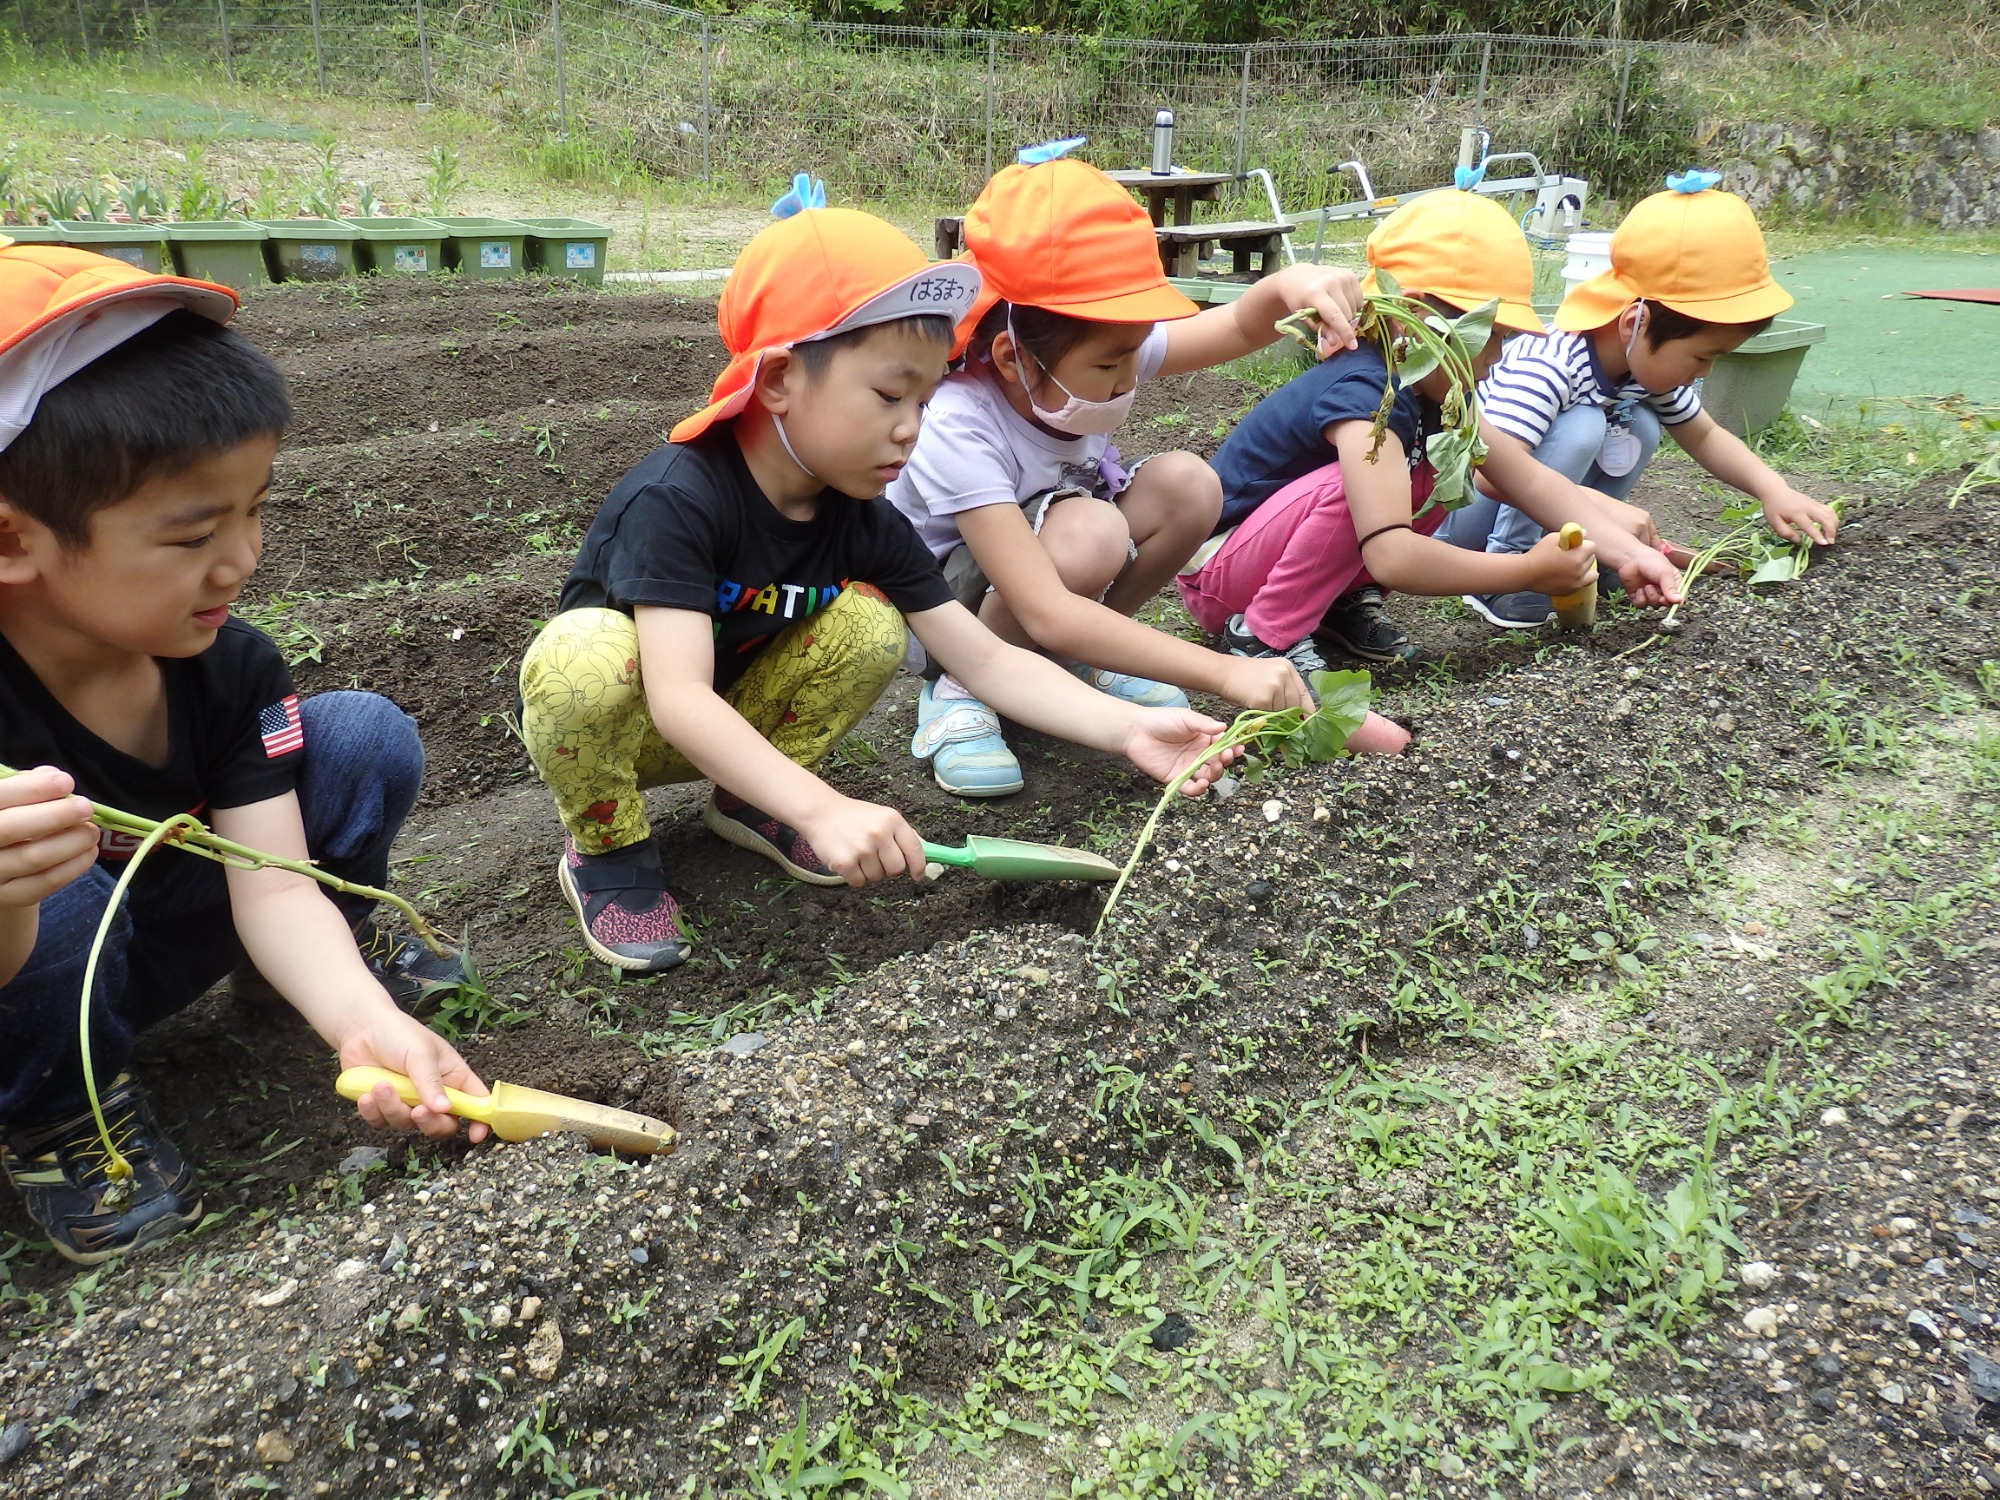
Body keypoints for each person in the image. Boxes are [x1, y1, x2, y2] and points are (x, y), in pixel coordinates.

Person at [517, 194, 1243, 977]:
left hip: (744, 726)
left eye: (926, 401)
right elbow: (679, 698)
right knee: (583, 657)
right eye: (889, 396)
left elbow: (988, 661)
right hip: (631, 728)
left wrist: (1124, 730)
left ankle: (753, 799)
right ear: (779, 380)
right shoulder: (681, 499)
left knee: (870, 624)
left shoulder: (859, 516)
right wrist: (823, 807)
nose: (911, 428)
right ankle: (608, 847)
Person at [0, 242, 485, 1265]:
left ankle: (305, 983)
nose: (243, 558)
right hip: (34, 986)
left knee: (356, 738)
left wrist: (358, 1023)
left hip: (170, 930)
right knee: (55, 880)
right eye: (192, 535)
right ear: (13, 542)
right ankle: (53, 1113)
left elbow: (271, 884)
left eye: (255, 509)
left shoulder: (228, 669)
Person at [887, 153, 1369, 797]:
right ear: (1012, 356)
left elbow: (1235, 324)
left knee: (1188, 485)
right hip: (948, 610)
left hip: (1051, 574)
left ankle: (1079, 660)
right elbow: (1046, 606)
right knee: (1091, 531)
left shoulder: (1096, 343)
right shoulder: (958, 421)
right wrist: (1223, 674)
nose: (1128, 379)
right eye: (1110, 366)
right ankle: (958, 694)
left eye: (1134, 356)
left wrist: (1293, 285)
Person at [1180, 192, 1684, 664]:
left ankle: (1334, 605)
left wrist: (1632, 554)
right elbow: (1393, 556)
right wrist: (1528, 571)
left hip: (1269, 554)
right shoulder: (1367, 396)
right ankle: (1265, 635)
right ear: (1416, 316)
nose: (1496, 358)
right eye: (1492, 337)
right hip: (1219, 575)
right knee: (1367, 485)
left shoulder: (1436, 389)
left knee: (1447, 463)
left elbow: (1526, 478)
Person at [1439, 174, 1840, 629]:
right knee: (1585, 425)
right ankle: (1509, 580)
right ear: (1636, 322)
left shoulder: (1645, 371)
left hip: (1552, 508)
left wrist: (1775, 490)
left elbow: (1704, 434)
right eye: (1702, 356)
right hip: (1460, 520)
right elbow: (1490, 476)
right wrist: (1603, 511)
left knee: (1643, 424)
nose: (1705, 372)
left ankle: (1597, 559)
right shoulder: (1549, 364)